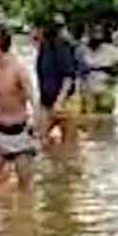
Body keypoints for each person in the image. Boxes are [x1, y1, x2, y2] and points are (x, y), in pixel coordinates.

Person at [0, 22, 37, 192]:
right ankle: (3, 208)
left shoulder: (18, 69)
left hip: (21, 135)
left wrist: (37, 129)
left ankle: (21, 216)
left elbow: (33, 99)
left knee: (26, 189)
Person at [34, 17, 80, 146]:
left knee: (69, 144)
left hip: (65, 102)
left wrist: (59, 101)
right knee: (40, 139)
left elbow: (68, 76)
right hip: (47, 101)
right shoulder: (44, 48)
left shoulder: (61, 46)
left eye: (35, 29)